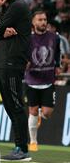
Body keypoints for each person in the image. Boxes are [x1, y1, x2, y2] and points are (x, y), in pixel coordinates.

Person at [0, 0, 31, 161]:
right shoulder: (11, 7)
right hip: (4, 62)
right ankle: (18, 146)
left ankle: (22, 149)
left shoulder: (17, 6)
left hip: (12, 62)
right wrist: (0, 29)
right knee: (9, 106)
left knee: (15, 105)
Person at [25, 11, 60, 152]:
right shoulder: (28, 39)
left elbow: (57, 52)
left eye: (45, 19)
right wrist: (25, 63)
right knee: (32, 110)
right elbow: (23, 56)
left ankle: (41, 114)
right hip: (32, 80)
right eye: (39, 20)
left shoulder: (54, 37)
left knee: (47, 113)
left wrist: (57, 66)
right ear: (33, 23)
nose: (43, 22)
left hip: (48, 80)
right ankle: (33, 142)